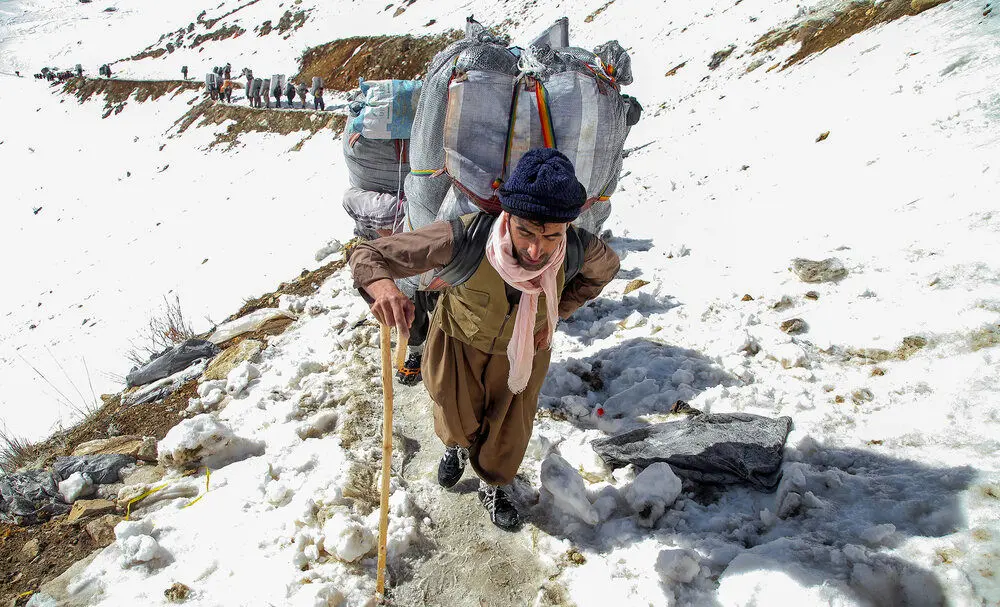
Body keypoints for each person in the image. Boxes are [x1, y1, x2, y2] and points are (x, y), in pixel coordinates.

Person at [349, 149, 620, 530]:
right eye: (525, 230)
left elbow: (605, 270)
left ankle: (493, 484)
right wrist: (383, 289)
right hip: (459, 341)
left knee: (509, 431)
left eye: (550, 236)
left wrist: (559, 310)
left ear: (566, 227)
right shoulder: (465, 237)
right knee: (455, 413)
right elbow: (369, 254)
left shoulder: (577, 248)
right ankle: (457, 448)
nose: (535, 250)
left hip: (525, 350)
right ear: (507, 216)